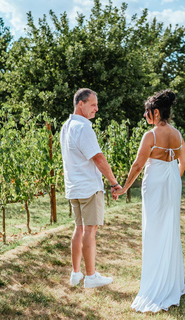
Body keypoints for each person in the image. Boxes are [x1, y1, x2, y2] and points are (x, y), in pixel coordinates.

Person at [114, 89, 185, 312]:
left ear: (156, 113)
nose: (145, 117)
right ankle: (171, 278)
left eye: (146, 113)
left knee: (154, 229)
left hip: (155, 183)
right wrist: (172, 178)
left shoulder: (151, 136)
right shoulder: (177, 134)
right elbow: (183, 162)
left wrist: (124, 187)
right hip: (172, 182)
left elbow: (137, 166)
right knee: (170, 227)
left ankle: (156, 282)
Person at [60, 88, 122, 288]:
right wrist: (114, 182)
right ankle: (91, 276)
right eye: (93, 104)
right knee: (90, 231)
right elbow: (98, 158)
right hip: (88, 187)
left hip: (74, 187)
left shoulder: (65, 126)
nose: (97, 109)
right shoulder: (83, 127)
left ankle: (76, 274)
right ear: (81, 104)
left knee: (79, 228)